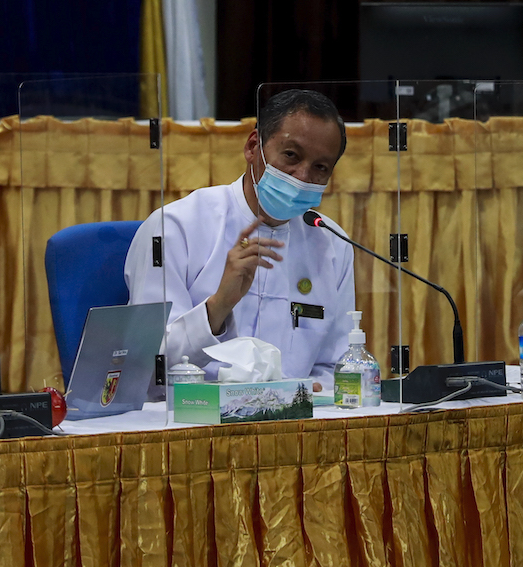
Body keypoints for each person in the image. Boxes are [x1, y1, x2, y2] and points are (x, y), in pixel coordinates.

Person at [124, 88, 356, 385]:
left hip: (292, 422)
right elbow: (144, 364)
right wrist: (219, 305)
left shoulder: (331, 242)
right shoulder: (175, 227)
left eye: (320, 168)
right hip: (191, 418)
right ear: (252, 146)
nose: (302, 176)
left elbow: (335, 368)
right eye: (291, 156)